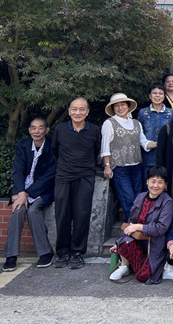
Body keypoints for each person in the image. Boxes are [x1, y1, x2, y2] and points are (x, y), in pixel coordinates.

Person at [52, 98, 101, 269]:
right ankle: (62, 252)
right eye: (74, 109)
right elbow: (55, 150)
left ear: (87, 112)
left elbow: (96, 151)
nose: (77, 113)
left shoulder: (94, 130)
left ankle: (77, 253)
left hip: (85, 176)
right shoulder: (60, 129)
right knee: (62, 215)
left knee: (82, 215)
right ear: (69, 111)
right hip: (63, 176)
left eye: (81, 109)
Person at [3, 118, 56, 271]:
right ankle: (11, 255)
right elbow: (18, 170)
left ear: (47, 130)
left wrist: (26, 194)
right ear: (29, 130)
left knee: (33, 211)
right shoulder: (23, 145)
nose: (36, 131)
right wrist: (21, 192)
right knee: (18, 211)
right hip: (22, 190)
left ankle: (45, 252)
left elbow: (50, 175)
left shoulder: (53, 147)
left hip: (43, 190)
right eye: (33, 128)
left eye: (40, 128)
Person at [108, 166, 173, 284]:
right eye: (153, 181)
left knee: (144, 276)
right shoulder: (140, 197)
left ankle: (135, 265)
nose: (156, 185)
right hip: (136, 240)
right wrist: (118, 243)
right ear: (147, 182)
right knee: (125, 241)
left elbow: (161, 228)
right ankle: (124, 266)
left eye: (160, 182)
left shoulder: (167, 201)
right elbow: (130, 223)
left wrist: (138, 227)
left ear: (165, 185)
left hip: (153, 244)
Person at [101, 93, 156, 221]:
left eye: (123, 104)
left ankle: (136, 228)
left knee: (138, 199)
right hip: (119, 168)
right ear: (113, 108)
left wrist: (161, 142)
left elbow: (144, 143)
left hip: (137, 166)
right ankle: (131, 228)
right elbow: (105, 146)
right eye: (116, 106)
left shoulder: (136, 123)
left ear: (128, 106)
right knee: (128, 200)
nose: (120, 108)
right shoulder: (109, 123)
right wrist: (107, 166)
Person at [138, 85, 173, 175]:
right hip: (148, 156)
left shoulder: (171, 113)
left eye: (160, 93)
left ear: (164, 96)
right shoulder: (143, 113)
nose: (157, 95)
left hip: (165, 155)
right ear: (150, 96)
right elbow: (139, 133)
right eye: (154, 93)